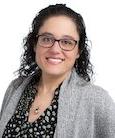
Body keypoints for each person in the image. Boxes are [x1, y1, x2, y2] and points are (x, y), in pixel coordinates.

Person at [0, 3, 115, 138]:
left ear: (79, 51)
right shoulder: (15, 88)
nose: (55, 50)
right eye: (47, 39)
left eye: (67, 42)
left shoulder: (97, 100)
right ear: (35, 45)